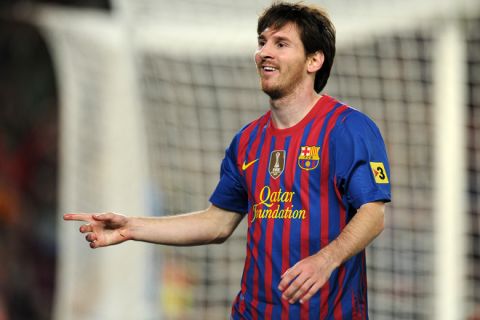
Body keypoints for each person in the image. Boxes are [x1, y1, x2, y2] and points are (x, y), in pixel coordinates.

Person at [64, 2, 391, 319]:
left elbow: (373, 214)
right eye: (262, 42)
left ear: (314, 60)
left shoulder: (347, 129)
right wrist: (131, 227)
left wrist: (325, 260)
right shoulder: (247, 142)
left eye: (281, 44)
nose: (265, 52)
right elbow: (217, 223)